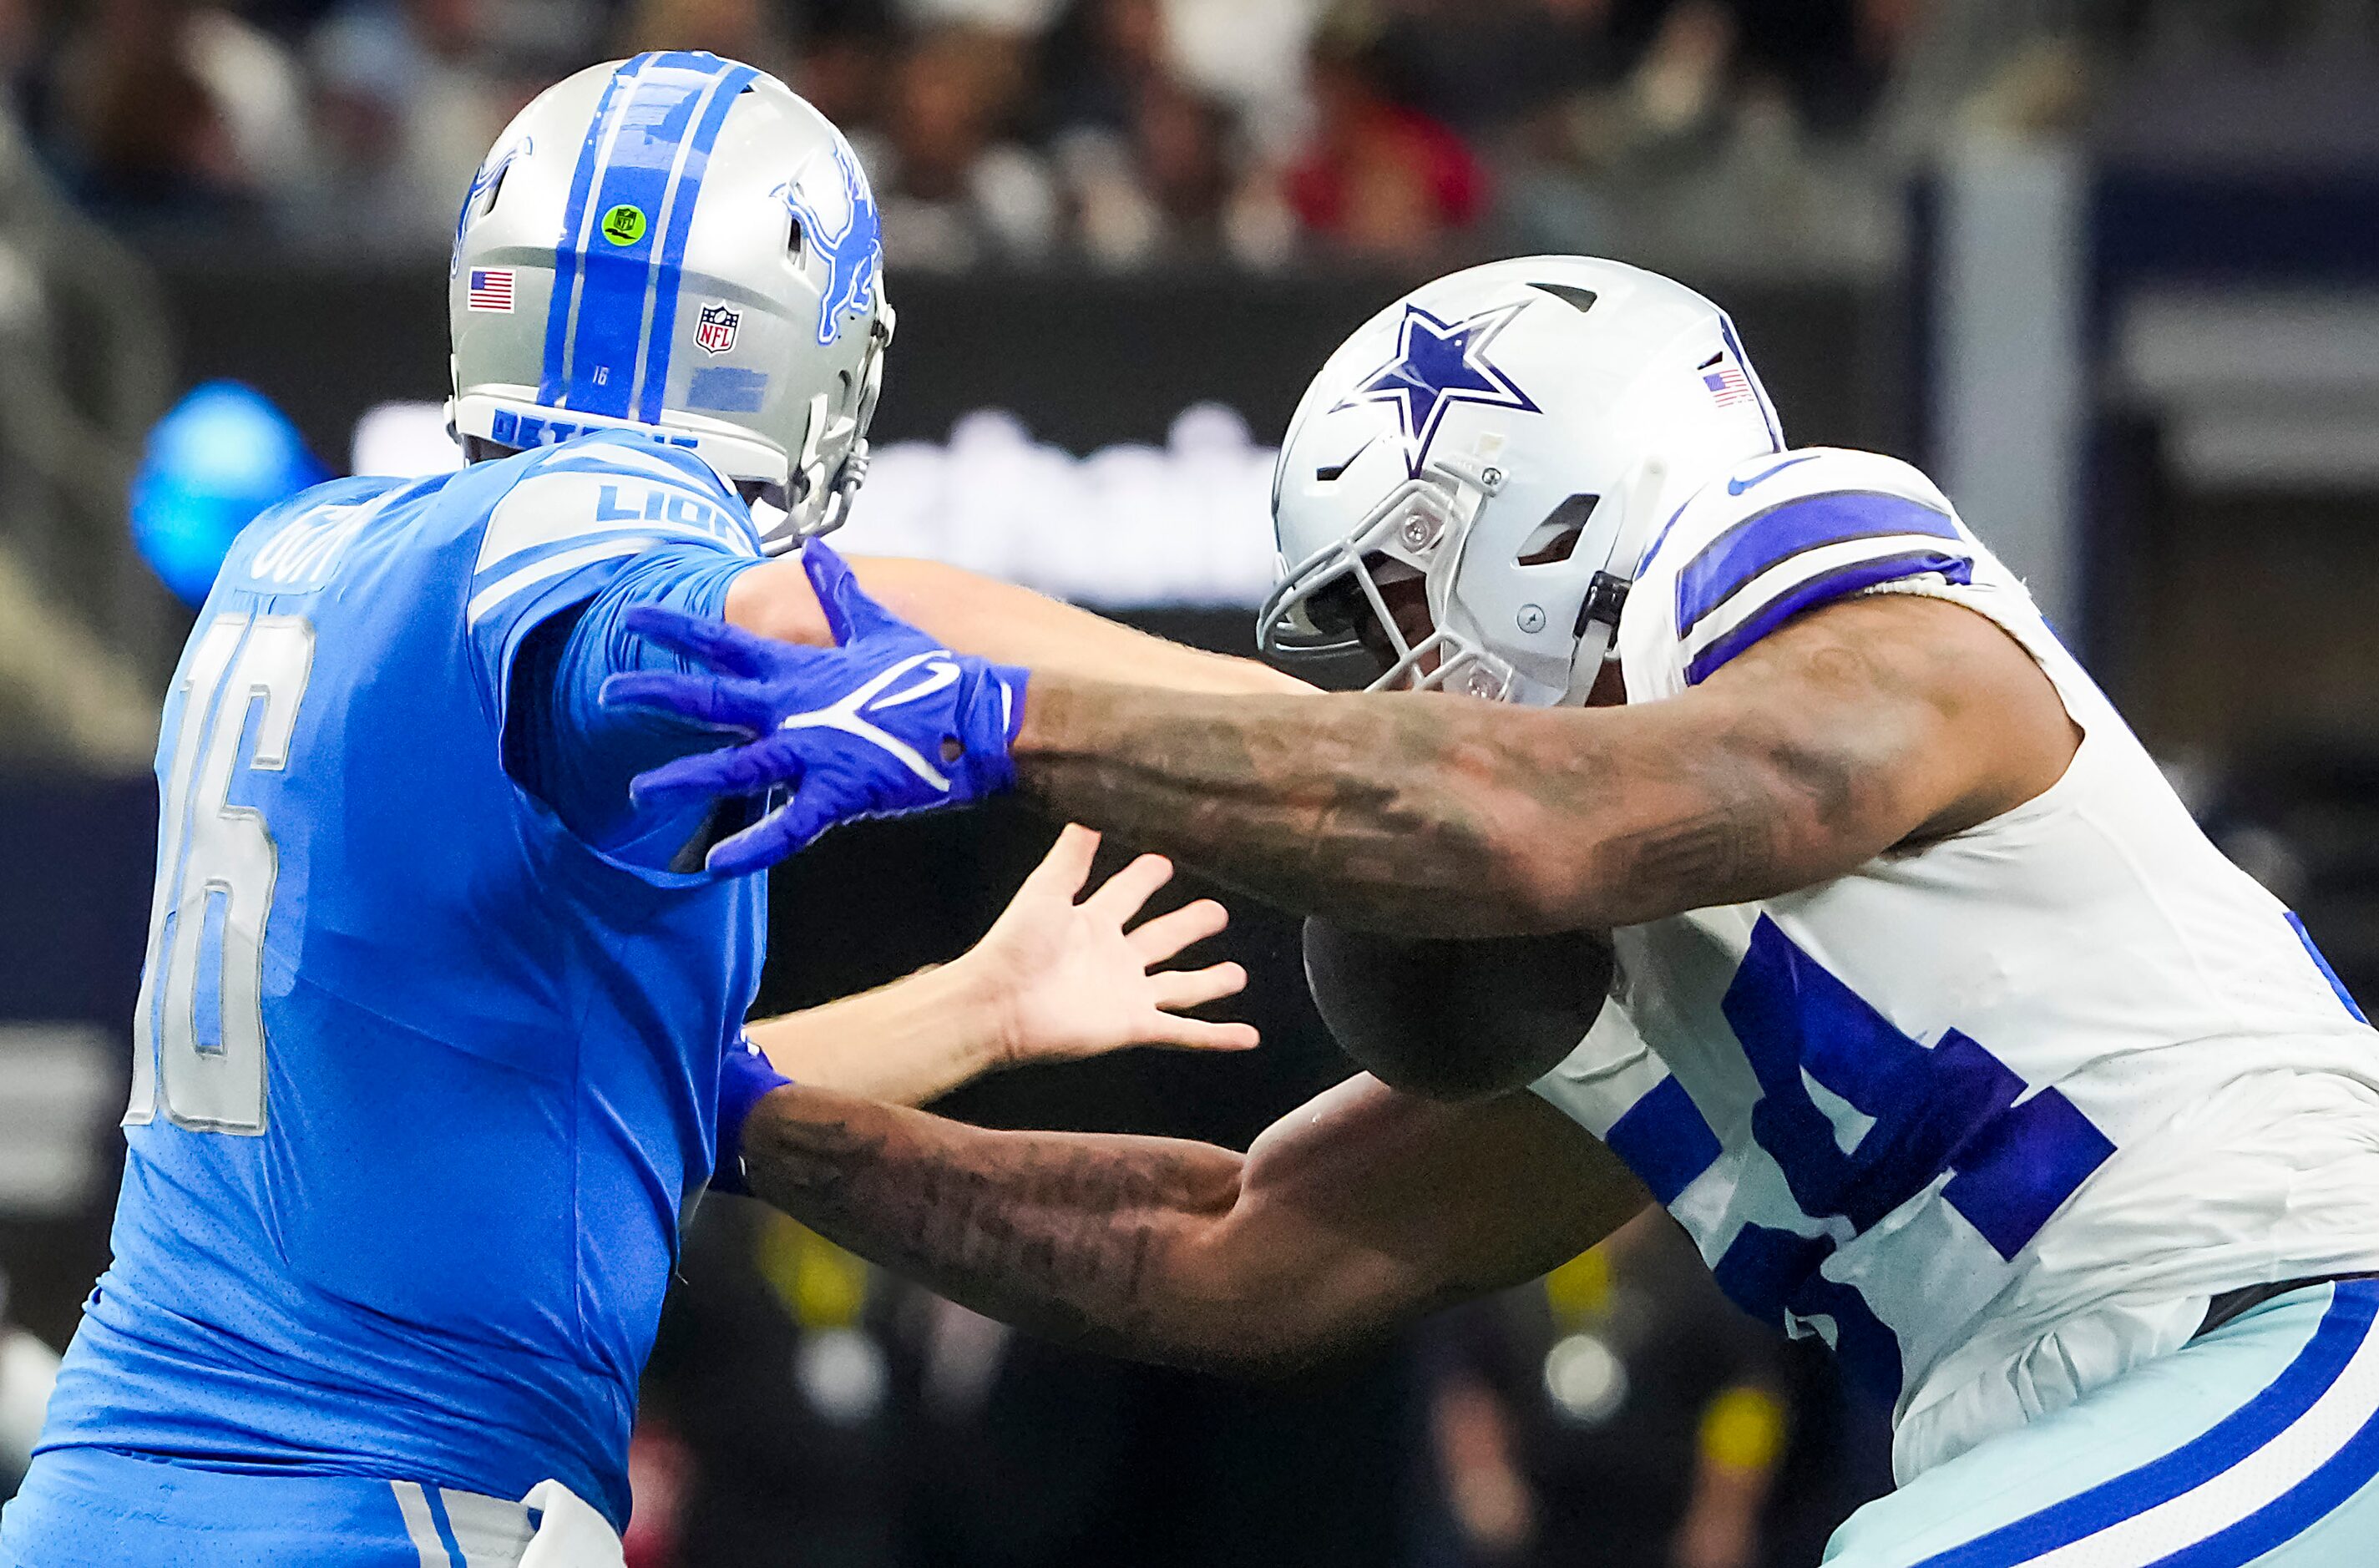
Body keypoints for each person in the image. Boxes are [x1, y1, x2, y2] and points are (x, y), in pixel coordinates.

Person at [611, 255, 2379, 1565]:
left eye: (1391, 597)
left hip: (2295, 1311)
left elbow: (1528, 817)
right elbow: (1229, 1253)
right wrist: (743, 1118)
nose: (1388, 680)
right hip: (2104, 1423)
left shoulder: (1816, 573)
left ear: (1550, 503)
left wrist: (1009, 720)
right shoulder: (1656, 972)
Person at [0, 52, 1264, 1568]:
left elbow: (615, 1100)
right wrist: (1303, 726)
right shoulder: (593, 522)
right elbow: (772, 613)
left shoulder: (303, 548)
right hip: (384, 1503)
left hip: (104, 1501)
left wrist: (979, 1001)